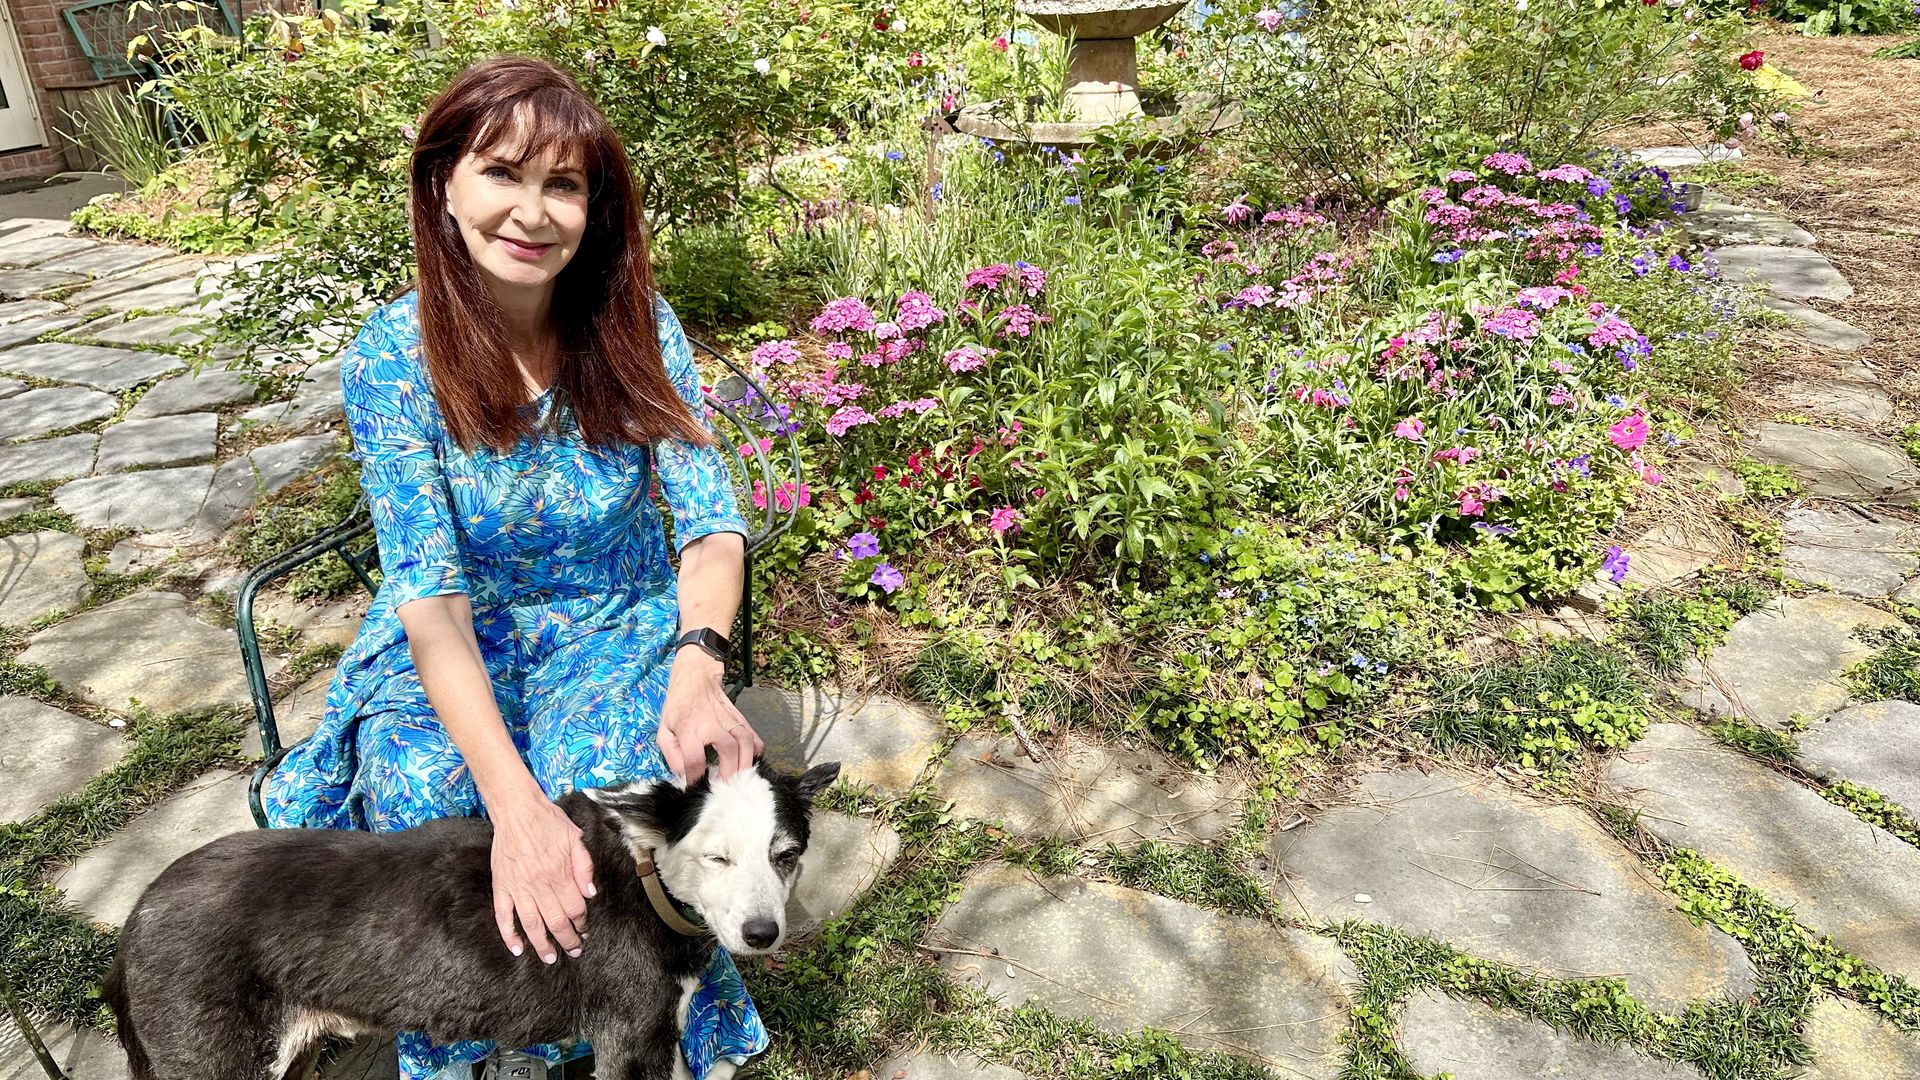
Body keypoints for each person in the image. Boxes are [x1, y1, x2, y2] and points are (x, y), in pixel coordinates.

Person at [263, 55, 768, 1080]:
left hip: (615, 616)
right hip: (457, 633)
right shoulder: (392, 356)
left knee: (622, 788)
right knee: (427, 790)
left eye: (564, 184)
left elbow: (712, 525)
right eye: (502, 172)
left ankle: (631, 1012)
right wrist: (514, 807)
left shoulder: (634, 324)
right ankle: (482, 1020)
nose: (532, 212)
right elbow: (430, 597)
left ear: (594, 206)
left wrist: (698, 667)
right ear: (443, 186)